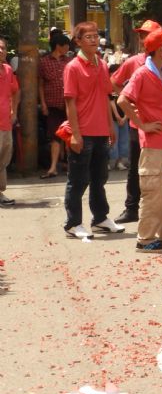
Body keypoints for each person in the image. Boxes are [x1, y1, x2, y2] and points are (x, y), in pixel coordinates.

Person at [118, 28, 162, 253]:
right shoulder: (142, 73)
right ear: (159, 49)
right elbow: (122, 100)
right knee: (153, 193)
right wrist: (142, 124)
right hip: (153, 143)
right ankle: (145, 240)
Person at [62, 22, 121, 239]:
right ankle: (73, 223)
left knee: (99, 178)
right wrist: (75, 134)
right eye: (88, 37)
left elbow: (105, 97)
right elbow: (70, 102)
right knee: (78, 180)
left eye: (96, 36)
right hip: (83, 131)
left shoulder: (102, 64)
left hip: (100, 131)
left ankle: (100, 219)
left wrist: (110, 126)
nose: (94, 40)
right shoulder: (73, 67)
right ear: (77, 41)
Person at [110, 20, 162, 226]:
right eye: (142, 36)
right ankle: (132, 208)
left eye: (147, 35)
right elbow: (114, 82)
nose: (143, 39)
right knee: (135, 167)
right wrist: (128, 102)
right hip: (138, 125)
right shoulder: (134, 62)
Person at [38, 32, 71, 179]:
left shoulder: (69, 61)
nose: (68, 48)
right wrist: (43, 103)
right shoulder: (44, 62)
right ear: (58, 46)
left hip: (69, 104)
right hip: (52, 105)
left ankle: (70, 165)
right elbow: (40, 84)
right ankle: (53, 167)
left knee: (69, 135)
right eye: (66, 45)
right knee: (55, 136)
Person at [0, 37, 19, 206]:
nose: (1, 51)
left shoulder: (7, 70)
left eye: (3, 48)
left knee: (3, 160)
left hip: (5, 122)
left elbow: (15, 91)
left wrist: (14, 111)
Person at [108, 64, 131, 171]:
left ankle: (122, 161)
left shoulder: (126, 85)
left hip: (125, 117)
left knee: (124, 140)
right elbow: (111, 101)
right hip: (113, 117)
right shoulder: (109, 85)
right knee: (114, 140)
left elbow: (130, 102)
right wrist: (117, 115)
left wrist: (125, 117)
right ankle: (113, 161)